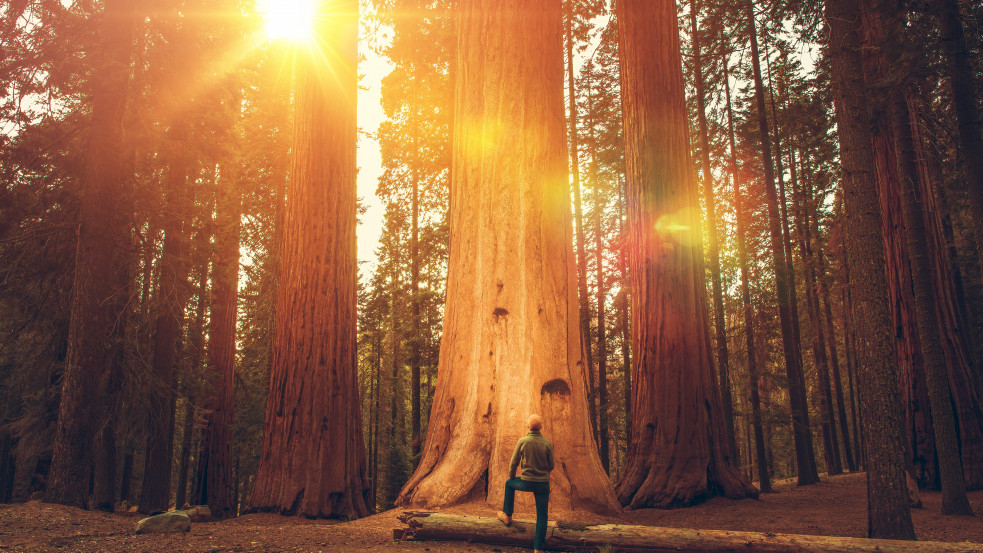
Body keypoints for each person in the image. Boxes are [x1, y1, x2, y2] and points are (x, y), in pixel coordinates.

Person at [497, 414, 554, 553]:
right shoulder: (547, 443)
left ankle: (508, 515)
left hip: (526, 482)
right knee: (542, 516)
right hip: (542, 484)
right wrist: (543, 474)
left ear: (528, 426)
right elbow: (551, 465)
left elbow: (513, 463)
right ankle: (538, 549)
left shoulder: (523, 441)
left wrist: (512, 476)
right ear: (541, 427)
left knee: (509, 484)